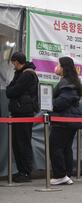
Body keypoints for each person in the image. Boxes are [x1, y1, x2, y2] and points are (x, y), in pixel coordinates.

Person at [6, 52, 39, 183]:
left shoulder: (27, 74)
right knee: (17, 143)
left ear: (18, 62)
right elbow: (10, 89)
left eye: (13, 62)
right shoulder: (20, 73)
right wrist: (11, 89)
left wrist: (11, 90)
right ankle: (21, 171)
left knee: (23, 143)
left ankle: (26, 172)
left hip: (24, 112)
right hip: (18, 112)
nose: (13, 65)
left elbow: (12, 91)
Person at [50, 57, 82, 185]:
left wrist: (51, 104)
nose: (56, 67)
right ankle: (66, 174)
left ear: (64, 67)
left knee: (56, 147)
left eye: (58, 65)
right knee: (65, 148)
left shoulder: (67, 83)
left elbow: (63, 101)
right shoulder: (71, 81)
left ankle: (60, 175)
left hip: (64, 120)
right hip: (69, 119)